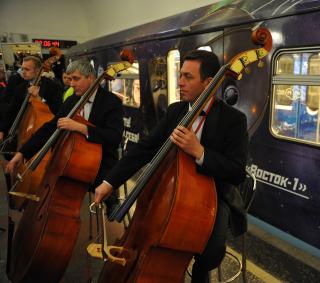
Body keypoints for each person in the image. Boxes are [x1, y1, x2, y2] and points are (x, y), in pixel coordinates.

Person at [94, 50, 249, 283]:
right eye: (181, 75)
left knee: (211, 251)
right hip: (171, 190)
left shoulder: (233, 120)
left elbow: (237, 172)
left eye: (188, 77)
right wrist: (109, 182)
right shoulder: (176, 110)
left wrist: (200, 152)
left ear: (209, 83)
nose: (180, 82)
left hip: (213, 196)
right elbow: (145, 149)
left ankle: (200, 273)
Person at [6, 59, 124, 211]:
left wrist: (81, 128)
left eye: (76, 78)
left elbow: (114, 137)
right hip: (69, 160)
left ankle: (111, 203)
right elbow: (49, 128)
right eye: (70, 79)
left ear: (90, 78)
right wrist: (22, 153)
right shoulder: (71, 100)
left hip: (99, 163)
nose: (71, 84)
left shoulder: (111, 102)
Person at [0, 55, 63, 143]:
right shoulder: (20, 88)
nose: (23, 72)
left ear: (37, 70)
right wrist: (2, 130)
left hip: (45, 132)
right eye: (22, 69)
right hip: (24, 130)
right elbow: (12, 111)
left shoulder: (53, 87)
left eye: (27, 69)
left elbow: (57, 111)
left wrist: (39, 99)